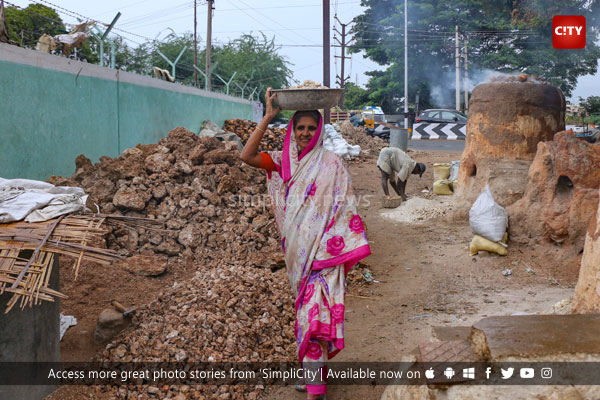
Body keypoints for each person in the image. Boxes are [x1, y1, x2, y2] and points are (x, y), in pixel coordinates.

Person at [240, 88, 371, 400]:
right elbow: (245, 156)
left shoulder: (333, 164)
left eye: (312, 128)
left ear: (320, 131)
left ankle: (315, 391)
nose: (305, 133)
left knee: (313, 317)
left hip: (325, 254)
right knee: (312, 316)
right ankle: (315, 377)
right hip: (298, 253)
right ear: (292, 130)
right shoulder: (284, 163)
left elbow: (344, 207)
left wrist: (329, 249)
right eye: (300, 127)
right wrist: (269, 117)